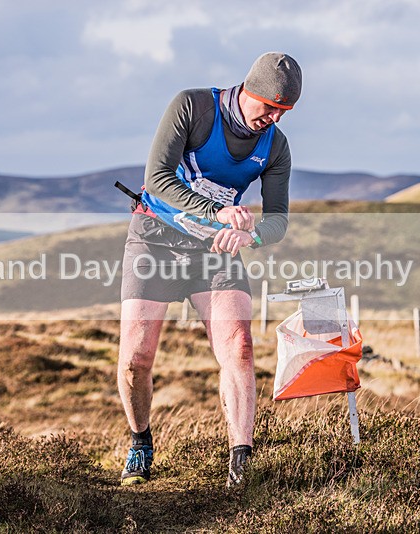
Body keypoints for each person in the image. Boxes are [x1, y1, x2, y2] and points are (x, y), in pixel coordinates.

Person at [118, 52, 302, 487]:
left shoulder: (275, 147)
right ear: (248, 90)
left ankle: (240, 462)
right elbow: (158, 176)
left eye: (284, 111)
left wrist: (250, 236)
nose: (273, 118)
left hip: (214, 251)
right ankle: (140, 443)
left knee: (239, 347)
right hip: (154, 239)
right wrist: (218, 211)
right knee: (135, 361)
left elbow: (277, 220)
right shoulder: (194, 107)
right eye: (268, 106)